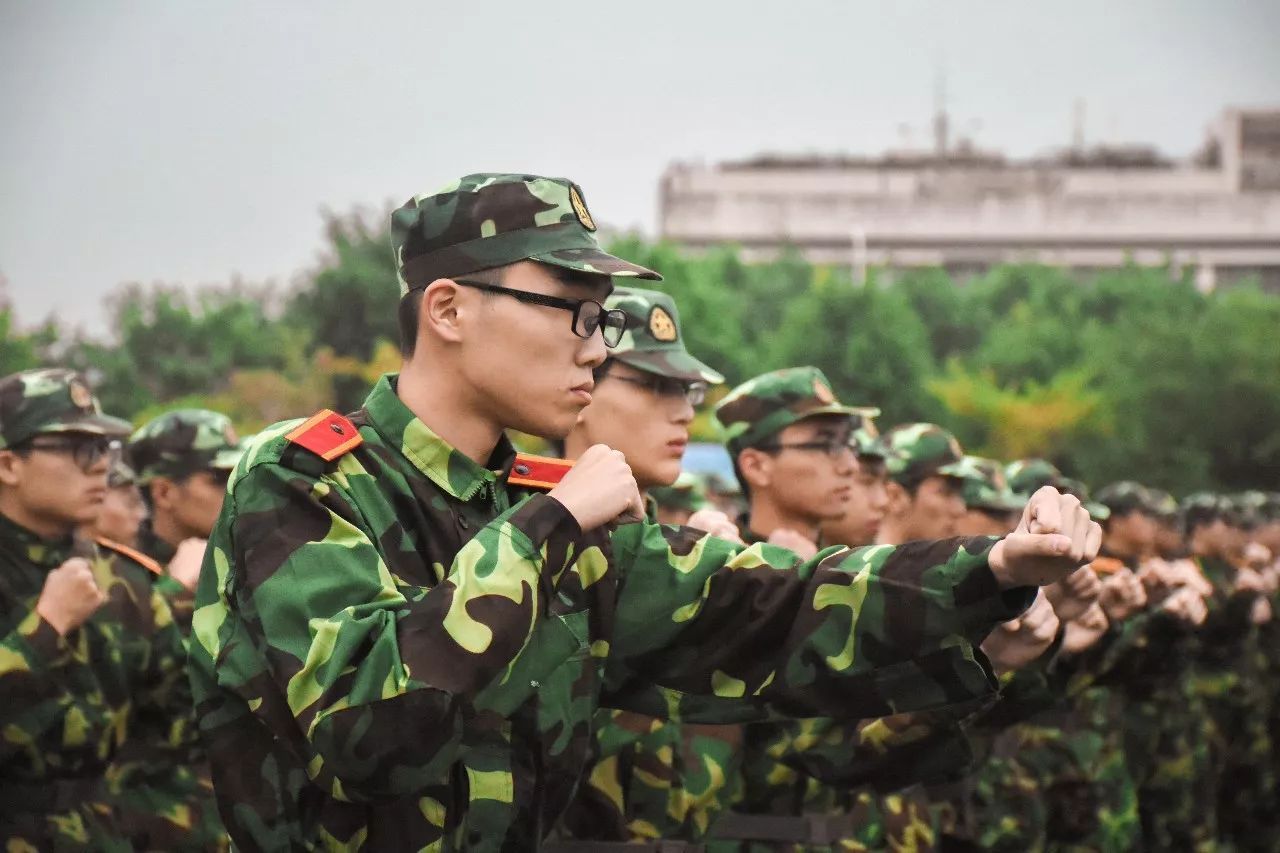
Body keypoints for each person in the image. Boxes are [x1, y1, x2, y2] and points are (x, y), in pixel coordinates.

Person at [187, 172, 1101, 851]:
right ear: (449, 308)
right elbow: (370, 730)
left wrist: (987, 571)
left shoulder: (546, 501)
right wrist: (545, 532)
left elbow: (770, 607)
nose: (595, 347)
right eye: (573, 312)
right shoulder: (307, 476)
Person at [0, 368, 194, 850]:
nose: (100, 468)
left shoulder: (124, 581)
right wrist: (45, 630)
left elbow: (182, 735)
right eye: (77, 448)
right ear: (8, 465)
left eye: (104, 450)